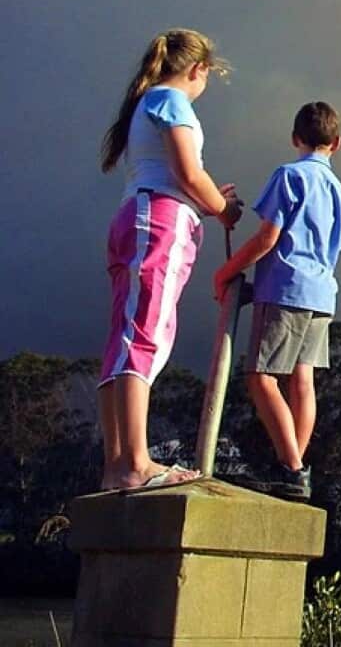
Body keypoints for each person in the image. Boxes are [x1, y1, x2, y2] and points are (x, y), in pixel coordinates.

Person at [98, 28, 243, 490]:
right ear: (198, 69)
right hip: (159, 221)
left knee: (125, 335)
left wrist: (209, 200)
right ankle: (136, 462)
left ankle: (117, 464)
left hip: (135, 216)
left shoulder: (147, 102)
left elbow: (178, 174)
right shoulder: (172, 101)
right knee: (146, 333)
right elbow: (187, 172)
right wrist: (223, 210)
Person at [215, 102, 341, 501]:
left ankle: (291, 468)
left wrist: (225, 273)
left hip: (285, 289)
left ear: (295, 138)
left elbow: (267, 238)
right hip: (322, 294)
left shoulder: (289, 176)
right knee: (302, 380)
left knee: (261, 377)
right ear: (337, 143)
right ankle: (294, 468)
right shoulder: (340, 192)